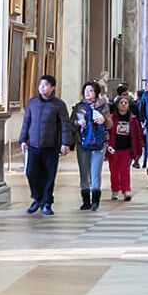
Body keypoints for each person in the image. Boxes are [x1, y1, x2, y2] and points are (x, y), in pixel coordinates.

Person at [18, 75, 70, 216]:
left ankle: (46, 203)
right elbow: (26, 122)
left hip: (51, 146)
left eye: (46, 85)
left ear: (52, 87)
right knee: (31, 173)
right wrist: (23, 139)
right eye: (40, 85)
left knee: (48, 176)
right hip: (33, 145)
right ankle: (37, 198)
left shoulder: (59, 104)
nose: (42, 87)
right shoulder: (32, 103)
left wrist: (65, 143)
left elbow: (65, 125)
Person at [71, 81, 109, 211]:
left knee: (95, 172)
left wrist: (104, 120)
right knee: (84, 172)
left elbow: (110, 124)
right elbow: (71, 124)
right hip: (83, 143)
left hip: (98, 143)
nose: (88, 93)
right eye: (86, 91)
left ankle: (96, 200)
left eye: (91, 91)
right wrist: (78, 122)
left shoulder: (103, 106)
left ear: (96, 93)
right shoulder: (78, 107)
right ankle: (85, 200)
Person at [106, 95, 144, 201]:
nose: (123, 104)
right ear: (117, 105)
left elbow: (137, 134)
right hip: (113, 148)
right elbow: (108, 132)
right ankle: (115, 189)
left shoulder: (133, 119)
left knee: (125, 170)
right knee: (114, 171)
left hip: (126, 148)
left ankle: (126, 190)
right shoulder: (112, 118)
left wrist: (138, 148)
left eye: (125, 103)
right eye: (121, 103)